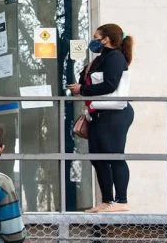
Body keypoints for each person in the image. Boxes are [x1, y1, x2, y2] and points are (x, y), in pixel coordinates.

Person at [67, 23, 134, 213]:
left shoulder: (115, 57)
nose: (93, 41)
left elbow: (110, 85)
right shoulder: (100, 58)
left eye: (96, 38)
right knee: (98, 157)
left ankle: (122, 200)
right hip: (98, 113)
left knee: (114, 155)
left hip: (114, 114)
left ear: (106, 39)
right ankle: (106, 201)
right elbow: (86, 79)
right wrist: (81, 84)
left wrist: (84, 90)